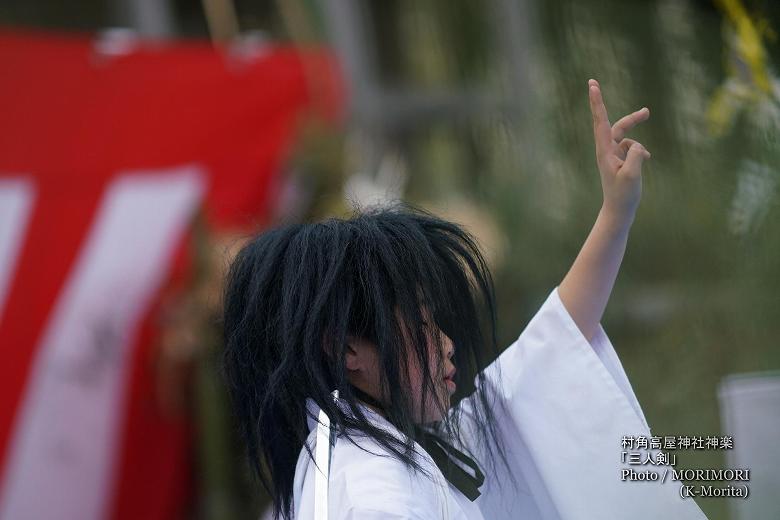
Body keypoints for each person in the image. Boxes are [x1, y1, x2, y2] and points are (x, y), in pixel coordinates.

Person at [221, 79, 708, 519]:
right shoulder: (371, 496)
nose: (448, 343)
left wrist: (616, 214)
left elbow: (549, 352)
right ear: (348, 349)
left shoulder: (391, 448)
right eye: (425, 326)